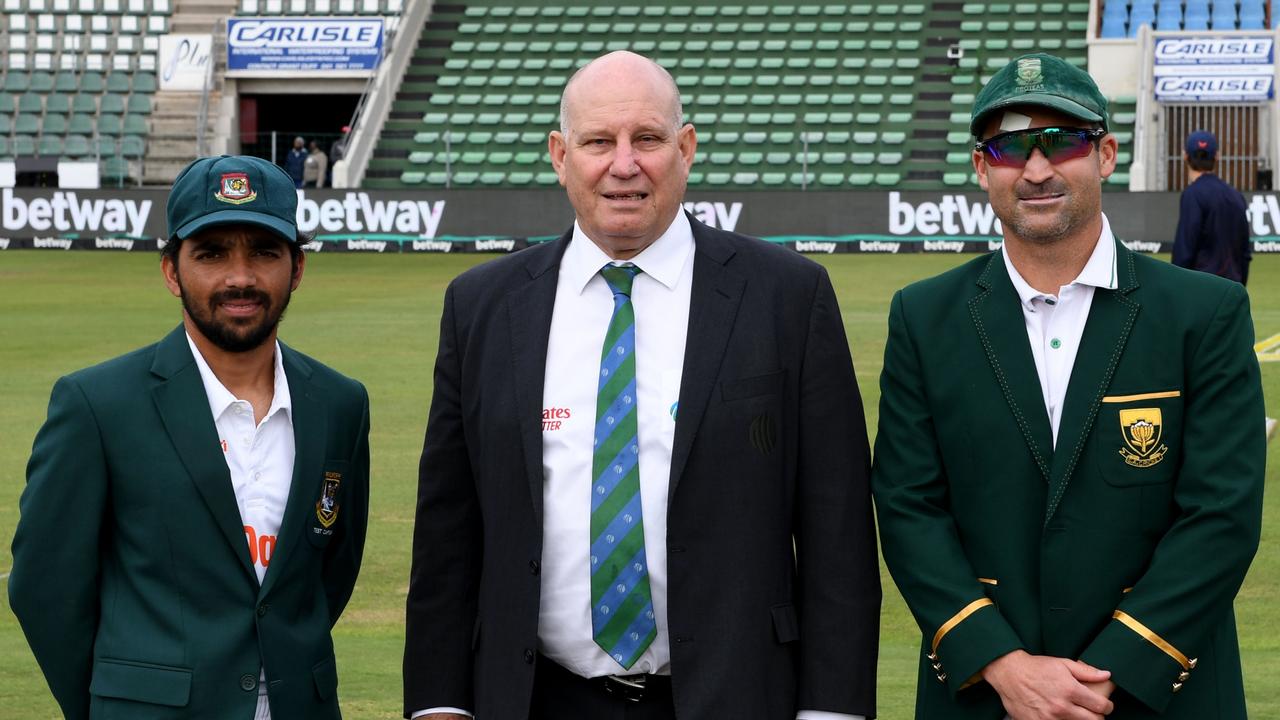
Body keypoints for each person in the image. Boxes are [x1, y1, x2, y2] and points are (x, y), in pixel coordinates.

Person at [403, 50, 880, 720]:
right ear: (560, 154)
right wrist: (437, 705)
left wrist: (832, 711)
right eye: (598, 141)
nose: (623, 165)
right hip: (536, 699)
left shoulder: (787, 297)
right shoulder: (483, 306)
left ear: (684, 149)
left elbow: (838, 533)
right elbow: (448, 534)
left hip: (735, 697)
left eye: (647, 139)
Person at [871, 53, 1264, 720]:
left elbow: (1221, 516)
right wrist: (1004, 664)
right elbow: (908, 509)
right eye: (1008, 148)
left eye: (1063, 141)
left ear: (1106, 154)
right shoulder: (923, 317)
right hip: (988, 697)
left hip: (1160, 694)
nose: (1037, 169)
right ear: (980, 168)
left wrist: (1110, 670)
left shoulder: (1206, 314)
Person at [9, 155, 371, 719]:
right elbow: (44, 586)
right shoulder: (97, 405)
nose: (240, 277)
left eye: (265, 252)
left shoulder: (341, 403)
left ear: (297, 268)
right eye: (211, 253)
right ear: (172, 271)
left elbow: (331, 572)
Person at [1172, 130, 1251, 284]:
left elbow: (1185, 250)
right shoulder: (1236, 195)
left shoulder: (1193, 194)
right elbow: (1245, 253)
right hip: (1231, 290)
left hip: (1203, 291)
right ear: (1217, 156)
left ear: (1185, 156)